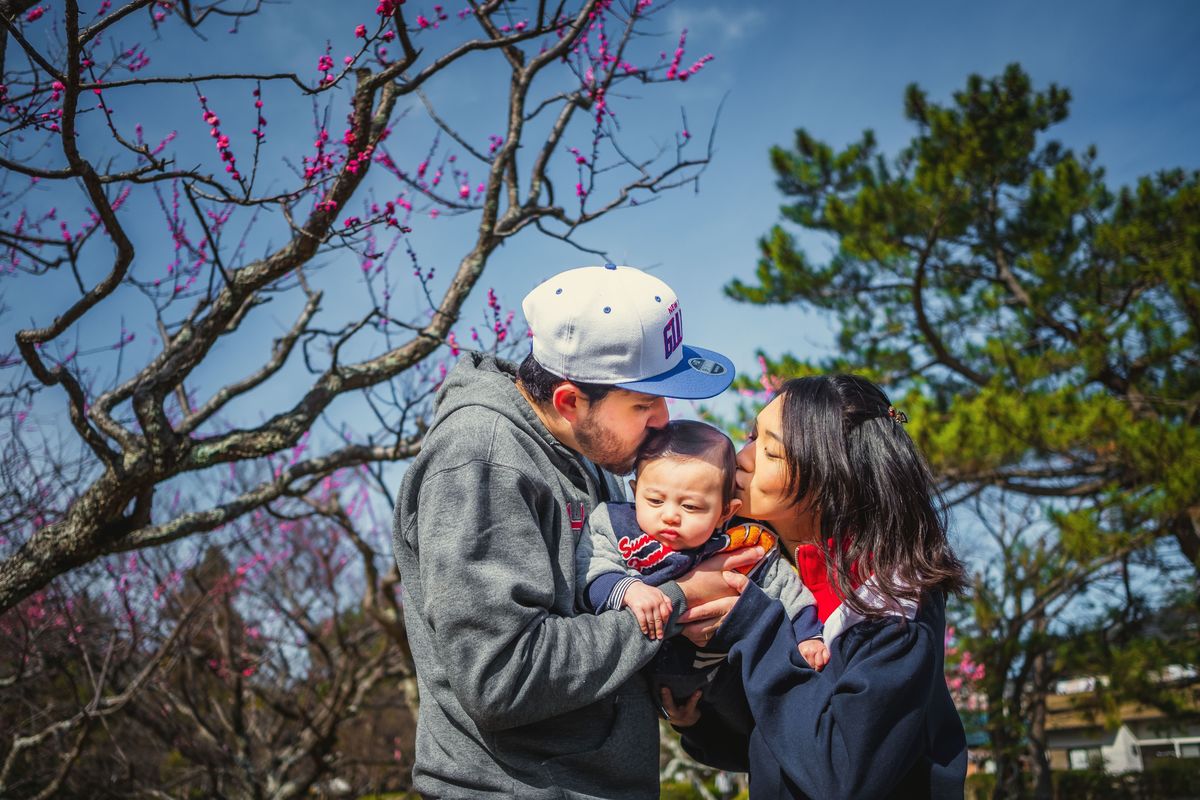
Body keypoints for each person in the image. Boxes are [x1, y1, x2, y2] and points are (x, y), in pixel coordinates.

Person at [392, 264, 756, 799]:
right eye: (642, 403)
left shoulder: (588, 453)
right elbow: (501, 676)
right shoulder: (483, 459)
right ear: (568, 401)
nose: (664, 419)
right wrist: (677, 603)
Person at [669, 375, 969, 799]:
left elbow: (839, 773)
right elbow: (773, 744)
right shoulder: (770, 573)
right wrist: (699, 716)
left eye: (770, 450)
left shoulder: (891, 605)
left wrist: (755, 625)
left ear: (829, 473)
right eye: (752, 435)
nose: (744, 457)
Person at [575, 420, 829, 705]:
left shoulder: (741, 542)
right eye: (655, 500)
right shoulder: (615, 523)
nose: (670, 515)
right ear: (635, 491)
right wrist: (628, 589)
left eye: (690, 506)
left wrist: (808, 635)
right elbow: (590, 567)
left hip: (718, 682)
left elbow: (784, 583)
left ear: (724, 512)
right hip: (634, 682)